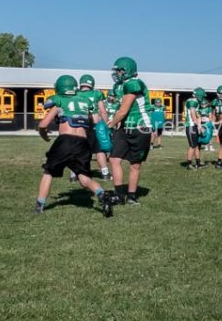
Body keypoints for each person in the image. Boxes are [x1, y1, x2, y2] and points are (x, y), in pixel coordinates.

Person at [35, 75, 113, 216]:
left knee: (49, 172)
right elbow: (95, 120)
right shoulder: (84, 101)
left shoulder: (59, 100)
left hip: (65, 140)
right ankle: (102, 194)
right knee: (83, 177)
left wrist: (44, 135)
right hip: (83, 143)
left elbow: (43, 124)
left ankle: (39, 205)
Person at [107, 56, 152, 205]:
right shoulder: (120, 86)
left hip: (140, 127)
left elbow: (123, 111)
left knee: (135, 164)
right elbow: (119, 109)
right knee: (114, 159)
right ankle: (119, 194)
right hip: (125, 126)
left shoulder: (133, 83)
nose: (117, 73)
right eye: (116, 70)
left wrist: (110, 124)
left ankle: (132, 196)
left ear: (128, 71)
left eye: (119, 70)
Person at [69, 74, 111, 182]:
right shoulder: (97, 93)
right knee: (99, 150)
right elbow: (102, 111)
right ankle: (105, 173)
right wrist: (106, 125)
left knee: (77, 150)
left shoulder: (75, 93)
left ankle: (74, 174)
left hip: (78, 125)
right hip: (93, 125)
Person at [182, 90, 204, 170]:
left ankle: (198, 163)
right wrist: (199, 126)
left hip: (193, 125)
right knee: (192, 146)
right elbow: (192, 114)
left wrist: (199, 124)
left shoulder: (195, 102)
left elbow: (197, 115)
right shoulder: (192, 101)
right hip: (191, 126)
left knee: (196, 145)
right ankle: (189, 164)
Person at [198, 89, 215, 162]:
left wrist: (210, 122)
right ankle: (205, 146)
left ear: (206, 104)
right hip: (202, 123)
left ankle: (210, 146)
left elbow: (210, 116)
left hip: (208, 123)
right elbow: (199, 117)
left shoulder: (209, 109)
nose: (203, 105)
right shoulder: (200, 109)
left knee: (210, 135)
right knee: (203, 135)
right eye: (202, 104)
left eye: (204, 104)